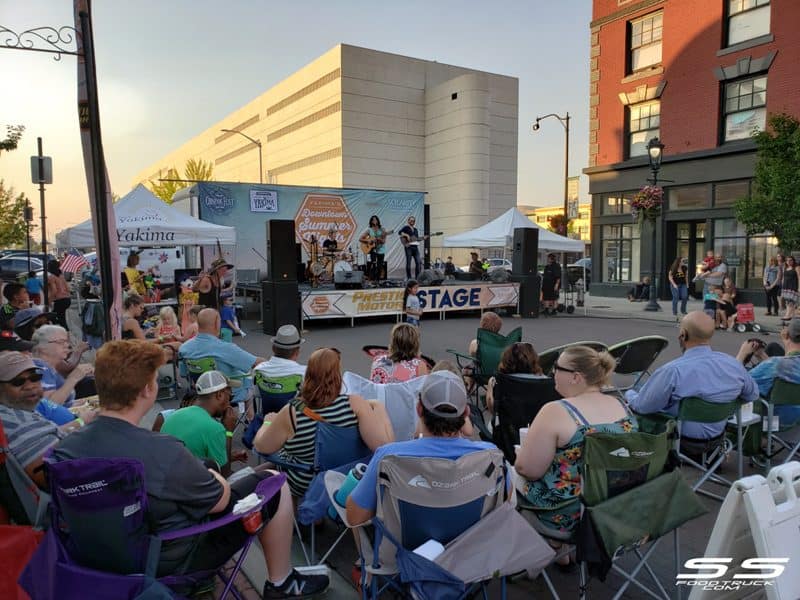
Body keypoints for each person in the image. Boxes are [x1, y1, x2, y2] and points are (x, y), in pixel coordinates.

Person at [52, 340, 329, 597]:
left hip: (98, 559)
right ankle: (281, 581)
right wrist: (214, 474)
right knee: (274, 482)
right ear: (149, 390)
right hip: (171, 557)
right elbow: (220, 501)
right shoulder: (162, 450)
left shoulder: (65, 448)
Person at [346, 370, 506, 526]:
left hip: (405, 551)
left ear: (419, 409)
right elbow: (503, 499)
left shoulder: (389, 456)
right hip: (467, 547)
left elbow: (354, 516)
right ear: (466, 413)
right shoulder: (490, 454)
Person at [515, 346, 637, 540]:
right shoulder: (622, 407)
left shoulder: (555, 411)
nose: (552, 372)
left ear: (576, 377)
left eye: (557, 367)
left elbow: (528, 469)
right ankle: (562, 551)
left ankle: (542, 550)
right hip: (614, 508)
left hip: (567, 516)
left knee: (508, 475)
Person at [254, 348, 394, 497]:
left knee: (266, 470)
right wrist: (378, 406)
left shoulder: (291, 413)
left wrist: (268, 422)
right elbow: (383, 448)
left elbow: (262, 447)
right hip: (347, 479)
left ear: (308, 374)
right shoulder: (355, 404)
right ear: (337, 376)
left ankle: (295, 514)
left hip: (307, 483)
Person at [625, 311, 758, 440]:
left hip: (678, 439)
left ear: (683, 335)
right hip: (718, 436)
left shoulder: (672, 371)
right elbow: (752, 395)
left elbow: (642, 407)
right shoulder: (734, 365)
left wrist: (628, 394)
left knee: (633, 401)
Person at [0, 352, 93, 490]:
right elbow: (57, 479)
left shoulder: (18, 409)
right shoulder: (18, 423)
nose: (30, 386)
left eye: (35, 378)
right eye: (18, 382)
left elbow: (45, 437)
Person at [161, 370, 247, 476]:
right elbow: (224, 474)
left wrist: (230, 456)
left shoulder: (173, 416)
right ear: (219, 395)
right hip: (193, 488)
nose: (229, 403)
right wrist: (228, 432)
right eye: (230, 396)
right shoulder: (214, 428)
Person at [178, 308, 265, 410]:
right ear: (216, 324)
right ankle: (250, 421)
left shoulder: (184, 348)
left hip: (201, 395)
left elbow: (183, 374)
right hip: (229, 394)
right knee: (251, 386)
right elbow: (257, 363)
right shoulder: (226, 348)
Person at [736, 318, 800, 430]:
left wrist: (742, 353)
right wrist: (761, 355)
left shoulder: (775, 364)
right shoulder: (777, 365)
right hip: (796, 418)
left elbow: (737, 383)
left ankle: (761, 440)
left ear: (786, 335)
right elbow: (787, 364)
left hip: (773, 422)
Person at [31, 325, 94, 409]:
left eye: (67, 341)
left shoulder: (49, 367)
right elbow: (49, 406)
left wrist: (73, 404)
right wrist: (73, 378)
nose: (67, 345)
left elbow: (59, 403)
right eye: (61, 342)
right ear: (42, 347)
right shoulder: (41, 367)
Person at [253, 324, 307, 414]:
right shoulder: (303, 373)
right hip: (294, 423)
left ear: (273, 348)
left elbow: (257, 395)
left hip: (268, 422)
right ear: (297, 351)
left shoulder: (259, 370)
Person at [485, 342, 544, 413]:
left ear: (507, 359)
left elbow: (492, 406)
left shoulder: (497, 380)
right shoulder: (544, 381)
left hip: (506, 421)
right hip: (536, 421)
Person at [359, 215, 388, 281]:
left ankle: (378, 281)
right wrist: (368, 240)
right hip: (373, 249)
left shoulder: (382, 229)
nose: (374, 221)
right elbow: (360, 239)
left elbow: (383, 241)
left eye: (375, 219)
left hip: (381, 249)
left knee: (380, 266)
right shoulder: (369, 230)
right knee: (374, 264)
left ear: (378, 221)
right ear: (371, 221)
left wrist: (379, 239)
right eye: (373, 220)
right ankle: (373, 279)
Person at [47, 260, 71, 330]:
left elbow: (54, 291)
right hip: (67, 299)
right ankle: (65, 333)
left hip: (60, 300)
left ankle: (61, 332)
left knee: (51, 317)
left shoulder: (51, 277)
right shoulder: (61, 276)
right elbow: (68, 288)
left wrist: (49, 301)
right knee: (62, 318)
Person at [398, 215, 422, 280]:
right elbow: (399, 232)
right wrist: (406, 235)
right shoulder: (406, 227)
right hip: (409, 247)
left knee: (418, 263)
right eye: (411, 220)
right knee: (408, 263)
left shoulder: (416, 230)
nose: (412, 221)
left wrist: (423, 238)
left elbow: (417, 238)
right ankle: (409, 278)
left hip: (415, 248)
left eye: (413, 221)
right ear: (408, 221)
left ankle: (417, 278)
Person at [781, 255, 799, 321]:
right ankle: (791, 315)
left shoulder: (796, 267)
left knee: (791, 301)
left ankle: (788, 315)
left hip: (793, 287)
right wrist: (782, 286)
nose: (788, 262)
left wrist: (799, 288)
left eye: (790, 260)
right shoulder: (785, 268)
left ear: (793, 261)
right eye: (787, 260)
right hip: (786, 287)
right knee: (787, 301)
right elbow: (783, 278)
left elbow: (799, 278)